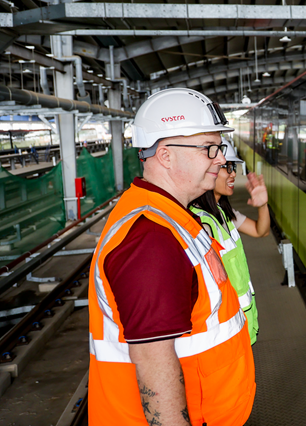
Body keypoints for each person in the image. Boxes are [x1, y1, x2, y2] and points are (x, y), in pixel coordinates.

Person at [87, 88, 255, 426]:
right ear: (165, 155)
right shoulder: (151, 238)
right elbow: (154, 362)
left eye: (219, 148)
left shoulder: (173, 217)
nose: (221, 159)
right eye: (210, 148)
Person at [190, 138, 271, 345]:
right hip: (224, 332)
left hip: (241, 323)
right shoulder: (201, 223)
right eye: (225, 167)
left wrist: (262, 205)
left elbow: (260, 231)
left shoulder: (225, 213)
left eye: (233, 166)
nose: (233, 173)